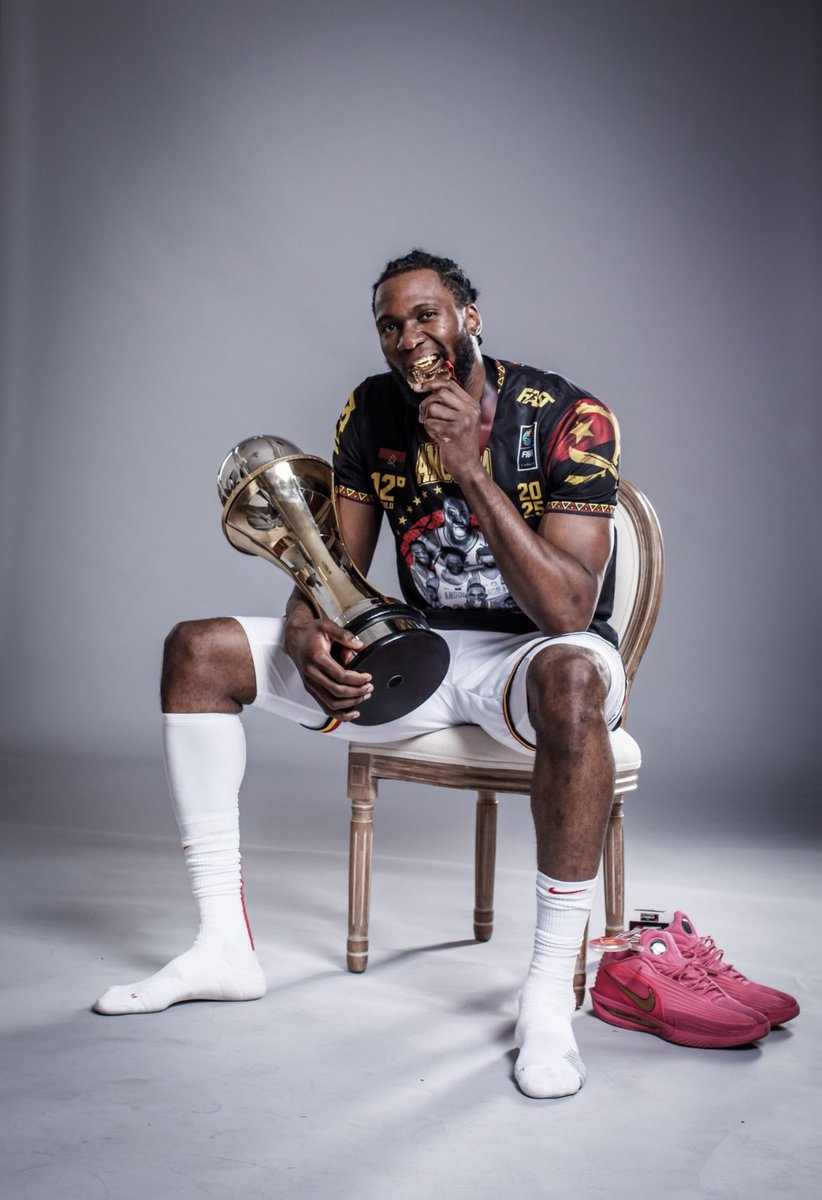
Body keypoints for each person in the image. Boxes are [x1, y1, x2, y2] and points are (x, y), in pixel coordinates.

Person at [93, 250, 624, 1101]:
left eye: (427, 315)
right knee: (195, 651)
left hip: (538, 658)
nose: (409, 335)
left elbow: (567, 610)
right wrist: (308, 632)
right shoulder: (371, 412)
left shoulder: (568, 417)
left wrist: (470, 469)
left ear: (469, 320)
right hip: (420, 649)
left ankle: (546, 995)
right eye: (390, 322)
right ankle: (224, 947)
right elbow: (327, 566)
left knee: (572, 681)